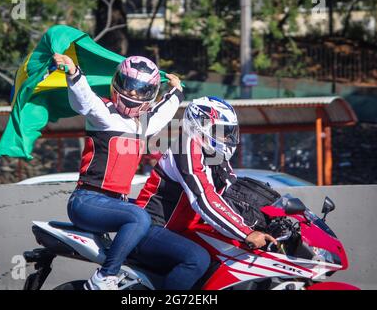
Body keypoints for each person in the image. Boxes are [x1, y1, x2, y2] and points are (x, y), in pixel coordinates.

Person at [53, 53, 184, 290]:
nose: (133, 94)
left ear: (151, 94)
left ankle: (140, 273)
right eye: (129, 86)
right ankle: (105, 276)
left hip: (114, 203)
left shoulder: (142, 124)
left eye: (140, 90)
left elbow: (164, 112)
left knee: (155, 213)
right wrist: (73, 73)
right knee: (139, 217)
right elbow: (84, 100)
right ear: (117, 83)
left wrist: (176, 91)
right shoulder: (103, 113)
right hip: (86, 201)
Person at [133, 96, 277, 289]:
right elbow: (204, 199)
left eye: (230, 132)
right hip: (150, 228)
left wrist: (271, 217)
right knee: (197, 259)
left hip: (181, 231)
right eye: (222, 131)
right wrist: (246, 232)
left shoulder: (216, 156)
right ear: (200, 125)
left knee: (230, 253)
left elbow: (234, 192)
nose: (227, 138)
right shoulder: (186, 146)